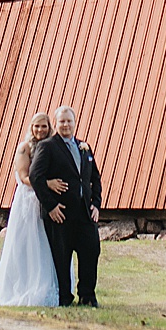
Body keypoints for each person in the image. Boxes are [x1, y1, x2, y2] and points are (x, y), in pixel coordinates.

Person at [0, 112, 61, 307]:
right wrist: (48, 184)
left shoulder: (52, 146)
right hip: (28, 201)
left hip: (45, 200)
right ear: (31, 127)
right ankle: (23, 285)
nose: (40, 130)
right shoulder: (24, 148)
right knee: (27, 243)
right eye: (36, 126)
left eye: (44, 126)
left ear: (49, 128)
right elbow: (24, 178)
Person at [29, 104, 102, 306]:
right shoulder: (48, 146)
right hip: (60, 213)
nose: (66, 125)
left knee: (91, 251)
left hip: (84, 213)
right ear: (56, 123)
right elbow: (36, 176)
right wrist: (51, 206)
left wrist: (96, 203)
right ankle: (64, 298)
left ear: (75, 123)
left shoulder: (84, 147)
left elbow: (95, 178)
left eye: (69, 121)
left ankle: (87, 296)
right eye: (62, 121)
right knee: (62, 257)